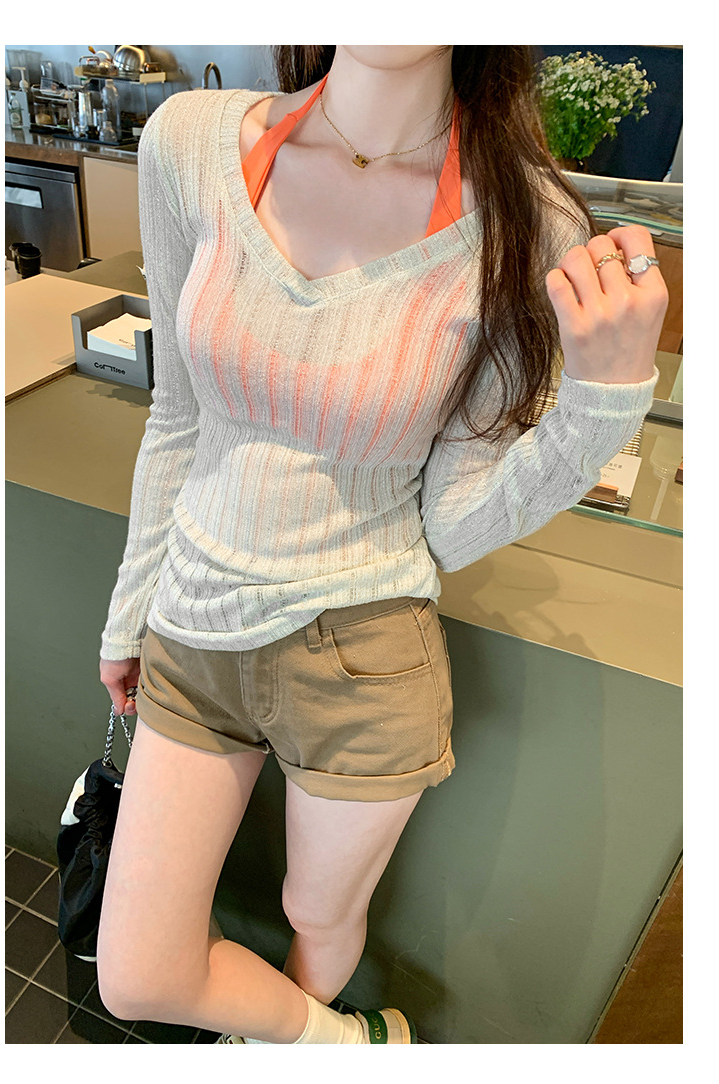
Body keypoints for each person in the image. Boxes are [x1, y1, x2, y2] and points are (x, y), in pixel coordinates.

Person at [97, 45, 667, 1044]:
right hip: (190, 625)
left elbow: (451, 522)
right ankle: (347, 1045)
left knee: (316, 915)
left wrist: (603, 406)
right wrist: (128, 611)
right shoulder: (187, 141)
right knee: (137, 973)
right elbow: (177, 415)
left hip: (360, 657)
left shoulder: (530, 223)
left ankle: (282, 1044)